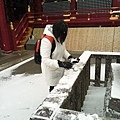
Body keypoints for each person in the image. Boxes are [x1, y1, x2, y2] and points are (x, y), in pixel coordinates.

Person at [40, 20, 79, 92]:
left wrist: (70, 57)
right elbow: (45, 60)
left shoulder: (59, 37)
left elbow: (63, 50)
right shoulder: (46, 41)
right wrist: (61, 64)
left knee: (60, 86)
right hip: (51, 71)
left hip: (59, 69)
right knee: (53, 90)